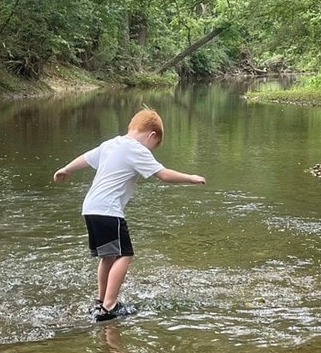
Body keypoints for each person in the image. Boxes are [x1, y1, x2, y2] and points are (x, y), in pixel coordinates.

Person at [52, 108, 206, 318]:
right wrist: (190, 178)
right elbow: (163, 174)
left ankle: (101, 300)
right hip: (109, 211)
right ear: (151, 135)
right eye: (154, 145)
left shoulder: (111, 144)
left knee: (108, 256)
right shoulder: (136, 149)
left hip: (90, 207)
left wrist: (66, 169)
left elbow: (86, 158)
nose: (151, 149)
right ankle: (109, 306)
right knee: (125, 255)